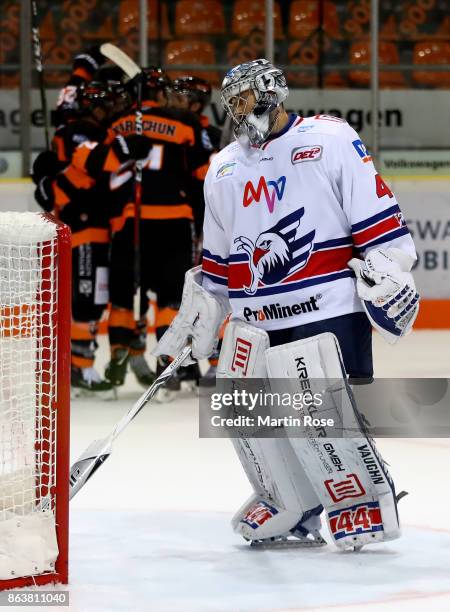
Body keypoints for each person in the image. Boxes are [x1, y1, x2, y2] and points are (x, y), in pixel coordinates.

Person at [153, 59, 420, 549]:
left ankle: (357, 498)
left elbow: (375, 213)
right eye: (231, 101)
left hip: (326, 308)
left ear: (273, 92)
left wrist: (388, 268)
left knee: (320, 418)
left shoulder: (330, 138)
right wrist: (203, 308)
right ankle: (288, 502)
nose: (238, 109)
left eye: (246, 97)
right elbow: (218, 254)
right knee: (251, 417)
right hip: (255, 319)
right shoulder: (223, 166)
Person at [33, 79, 148, 397]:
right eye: (101, 104)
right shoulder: (77, 133)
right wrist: (126, 148)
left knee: (94, 296)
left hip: (99, 226)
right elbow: (90, 165)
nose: (106, 110)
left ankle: (79, 362)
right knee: (86, 297)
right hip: (81, 224)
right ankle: (79, 366)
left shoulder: (98, 132)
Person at [104, 68, 212, 393]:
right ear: (161, 93)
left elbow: (104, 175)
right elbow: (202, 176)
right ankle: (168, 364)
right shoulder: (185, 123)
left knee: (123, 296)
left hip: (129, 224)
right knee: (170, 297)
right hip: (172, 222)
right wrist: (203, 218)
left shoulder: (116, 125)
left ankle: (119, 354)